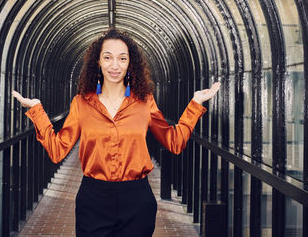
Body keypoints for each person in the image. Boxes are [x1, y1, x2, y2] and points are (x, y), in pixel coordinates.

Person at [12, 29, 220, 237]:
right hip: (93, 199)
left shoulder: (144, 102)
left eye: (122, 58)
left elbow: (174, 142)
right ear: (98, 62)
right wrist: (37, 111)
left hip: (137, 200)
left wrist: (195, 104)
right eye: (108, 57)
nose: (115, 65)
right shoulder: (82, 103)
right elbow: (57, 150)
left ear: (130, 63)